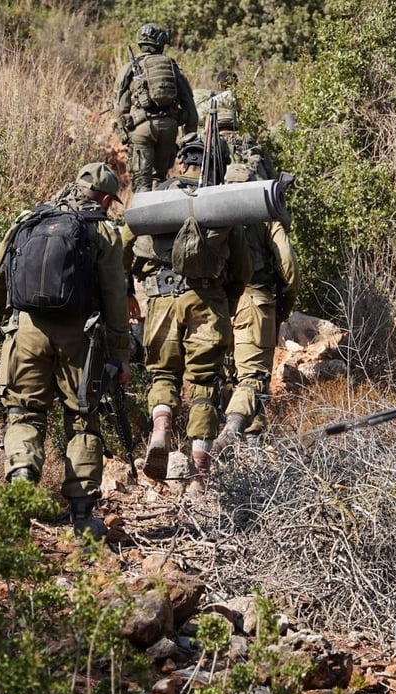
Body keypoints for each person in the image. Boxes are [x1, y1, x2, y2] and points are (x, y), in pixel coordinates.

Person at [0, 163, 131, 538]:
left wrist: (8, 314)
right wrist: (120, 355)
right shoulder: (104, 234)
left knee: (24, 414)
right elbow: (115, 299)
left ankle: (19, 497)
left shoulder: (30, 219)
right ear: (106, 199)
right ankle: (81, 519)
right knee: (82, 420)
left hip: (26, 332)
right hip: (81, 340)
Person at [123, 138, 251, 495]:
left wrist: (128, 291)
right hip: (207, 300)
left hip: (162, 300)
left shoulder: (156, 200)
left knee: (163, 372)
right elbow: (242, 267)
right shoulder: (218, 202)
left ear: (180, 164)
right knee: (205, 383)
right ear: (212, 166)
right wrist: (223, 300)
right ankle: (198, 475)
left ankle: (161, 427)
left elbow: (124, 245)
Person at [213, 162, 298, 452]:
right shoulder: (264, 216)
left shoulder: (214, 212)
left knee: (227, 374)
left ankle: (247, 445)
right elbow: (288, 265)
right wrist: (285, 304)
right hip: (255, 300)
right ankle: (231, 433)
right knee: (254, 377)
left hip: (219, 304)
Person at [113, 23, 199, 194]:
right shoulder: (172, 67)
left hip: (142, 128)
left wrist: (124, 129)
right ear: (160, 43)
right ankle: (160, 216)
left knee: (141, 181)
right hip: (169, 127)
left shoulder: (129, 67)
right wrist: (189, 138)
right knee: (160, 178)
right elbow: (189, 104)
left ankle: (141, 218)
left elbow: (120, 106)